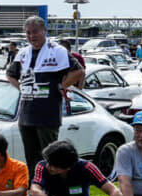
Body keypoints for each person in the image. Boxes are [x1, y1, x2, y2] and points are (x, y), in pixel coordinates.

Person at [5, 15, 84, 174]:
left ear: (44, 31)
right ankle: (36, 187)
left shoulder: (57, 51)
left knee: (50, 157)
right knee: (32, 158)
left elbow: (78, 71)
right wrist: (21, 88)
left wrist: (62, 85)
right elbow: (10, 74)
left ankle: (52, 189)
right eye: (28, 33)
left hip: (47, 115)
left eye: (35, 32)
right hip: (26, 115)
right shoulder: (23, 52)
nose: (31, 36)